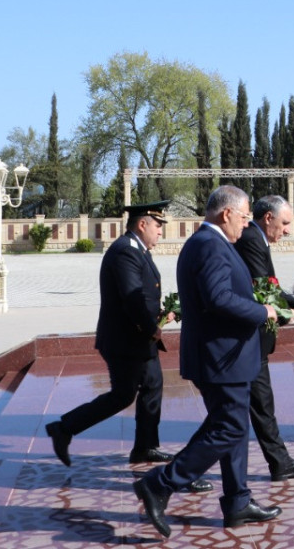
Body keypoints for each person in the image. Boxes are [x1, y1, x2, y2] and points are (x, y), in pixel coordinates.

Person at [133, 186, 281, 537]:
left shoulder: (208, 243)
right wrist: (263, 311)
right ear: (226, 213)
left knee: (230, 425)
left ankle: (238, 502)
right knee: (229, 427)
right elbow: (219, 298)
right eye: (245, 217)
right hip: (220, 356)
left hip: (223, 355)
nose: (247, 226)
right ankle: (161, 483)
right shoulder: (209, 245)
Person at [45, 201, 209, 493]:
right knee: (123, 396)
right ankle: (63, 428)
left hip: (137, 338)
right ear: (142, 224)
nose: (161, 232)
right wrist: (151, 327)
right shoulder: (125, 251)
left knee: (153, 386)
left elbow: (143, 297)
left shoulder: (137, 250)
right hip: (124, 340)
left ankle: (145, 446)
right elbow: (132, 299)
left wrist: (161, 315)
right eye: (158, 226)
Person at [234, 194, 294, 481]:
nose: (287, 230)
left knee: (256, 406)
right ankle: (175, 475)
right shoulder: (251, 240)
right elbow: (262, 290)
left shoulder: (257, 239)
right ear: (267, 218)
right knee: (245, 411)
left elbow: (268, 288)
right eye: (284, 223)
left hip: (251, 337)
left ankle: (279, 463)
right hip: (247, 338)